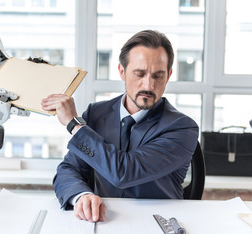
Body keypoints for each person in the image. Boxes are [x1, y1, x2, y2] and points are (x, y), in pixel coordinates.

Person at [41, 30, 199, 223]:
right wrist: (81, 195)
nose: (148, 85)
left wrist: (74, 124)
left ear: (168, 76)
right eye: (139, 74)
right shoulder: (96, 113)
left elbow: (124, 172)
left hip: (157, 225)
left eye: (158, 75)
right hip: (102, 222)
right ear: (122, 72)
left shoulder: (182, 128)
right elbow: (69, 169)